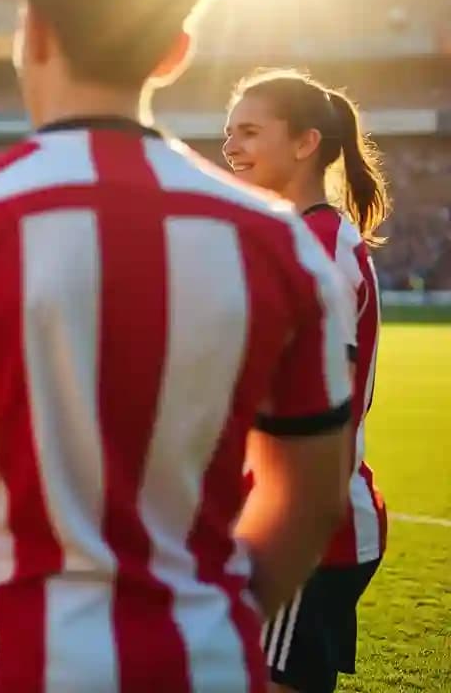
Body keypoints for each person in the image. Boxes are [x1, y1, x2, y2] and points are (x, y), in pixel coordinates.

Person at [0, 0, 358, 692]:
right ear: (176, 51)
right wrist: (216, 615)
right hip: (206, 664)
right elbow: (311, 496)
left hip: (19, 661)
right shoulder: (276, 240)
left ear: (33, 33)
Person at [224, 70, 391, 693]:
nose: (231, 148)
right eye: (227, 134)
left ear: (304, 143)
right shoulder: (292, 241)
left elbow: (321, 410)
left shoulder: (317, 250)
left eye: (248, 132)